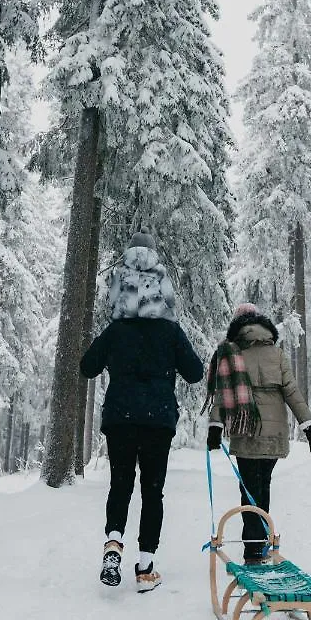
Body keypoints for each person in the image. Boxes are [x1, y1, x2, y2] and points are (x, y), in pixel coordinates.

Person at [80, 227, 204, 592]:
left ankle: (113, 542)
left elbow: (87, 366)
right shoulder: (169, 331)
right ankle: (146, 567)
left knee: (120, 484)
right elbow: (196, 373)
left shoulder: (115, 330)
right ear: (160, 286)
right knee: (153, 491)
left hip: (120, 417)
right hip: (158, 420)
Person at [204, 303, 311, 564]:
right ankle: (260, 544)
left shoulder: (232, 353)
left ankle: (253, 549)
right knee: (262, 486)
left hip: (246, 431)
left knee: (248, 491)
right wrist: (308, 426)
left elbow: (223, 395)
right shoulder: (276, 353)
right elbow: (291, 391)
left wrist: (215, 426)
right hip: (273, 432)